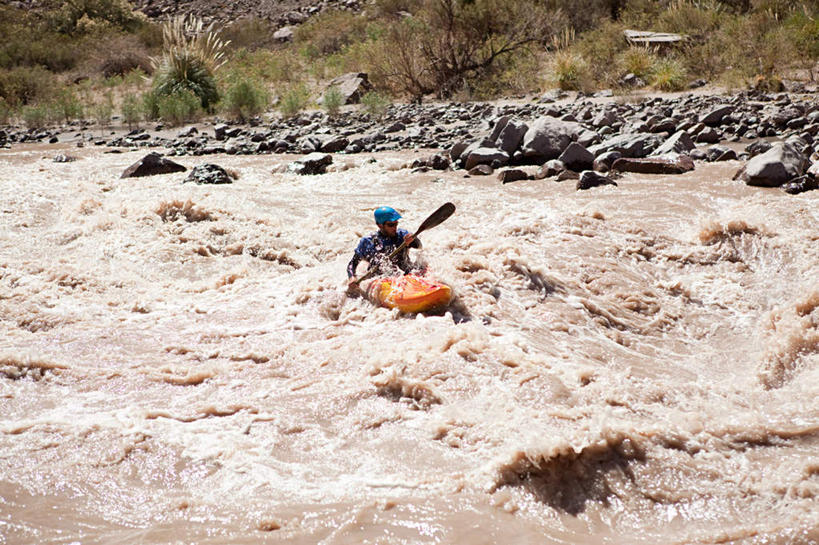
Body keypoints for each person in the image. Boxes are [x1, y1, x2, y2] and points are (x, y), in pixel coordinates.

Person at [347, 206, 422, 292]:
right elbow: (353, 263)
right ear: (380, 225)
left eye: (396, 224)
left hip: (405, 273)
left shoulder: (403, 235)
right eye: (391, 225)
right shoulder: (368, 241)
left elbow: (419, 246)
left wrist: (413, 240)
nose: (395, 227)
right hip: (381, 278)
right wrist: (352, 277)